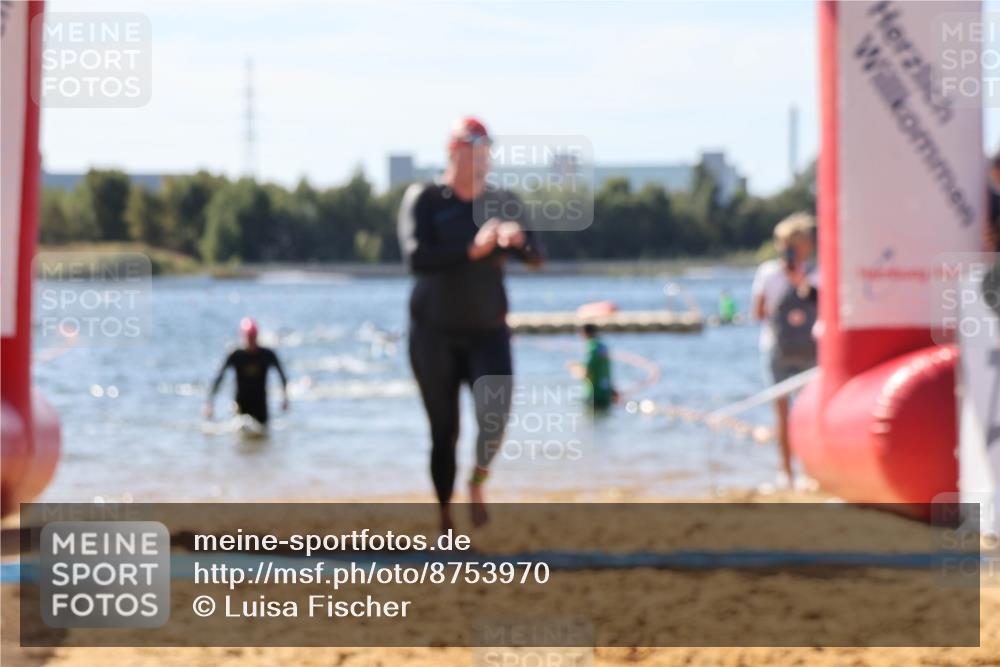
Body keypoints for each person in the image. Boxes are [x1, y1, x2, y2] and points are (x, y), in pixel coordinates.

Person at [398, 117, 543, 531]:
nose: (480, 161)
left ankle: (477, 479)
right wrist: (471, 250)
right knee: (444, 432)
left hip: (488, 332)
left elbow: (537, 257)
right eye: (471, 152)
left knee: (495, 418)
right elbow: (415, 258)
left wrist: (520, 241)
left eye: (486, 153)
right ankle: (445, 513)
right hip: (433, 334)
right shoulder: (424, 199)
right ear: (453, 153)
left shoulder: (502, 202)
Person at [751, 213, 818, 485]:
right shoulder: (816, 273)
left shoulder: (768, 273)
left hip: (777, 348)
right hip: (804, 349)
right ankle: (807, 472)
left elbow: (757, 313)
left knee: (784, 414)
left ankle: (788, 473)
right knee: (808, 414)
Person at [203, 317, 289, 427]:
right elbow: (219, 377)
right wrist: (209, 402)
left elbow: (282, 375)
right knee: (240, 434)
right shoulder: (236, 355)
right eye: (249, 337)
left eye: (253, 337)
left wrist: (285, 398)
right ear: (243, 336)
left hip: (260, 404)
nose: (251, 340)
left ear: (257, 336)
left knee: (262, 435)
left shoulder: (267, 355)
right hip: (241, 403)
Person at [571, 323, 617, 411]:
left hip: (594, 393)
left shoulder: (592, 347)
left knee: (590, 421)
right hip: (606, 392)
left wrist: (573, 367)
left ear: (584, 333)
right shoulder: (603, 347)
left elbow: (585, 372)